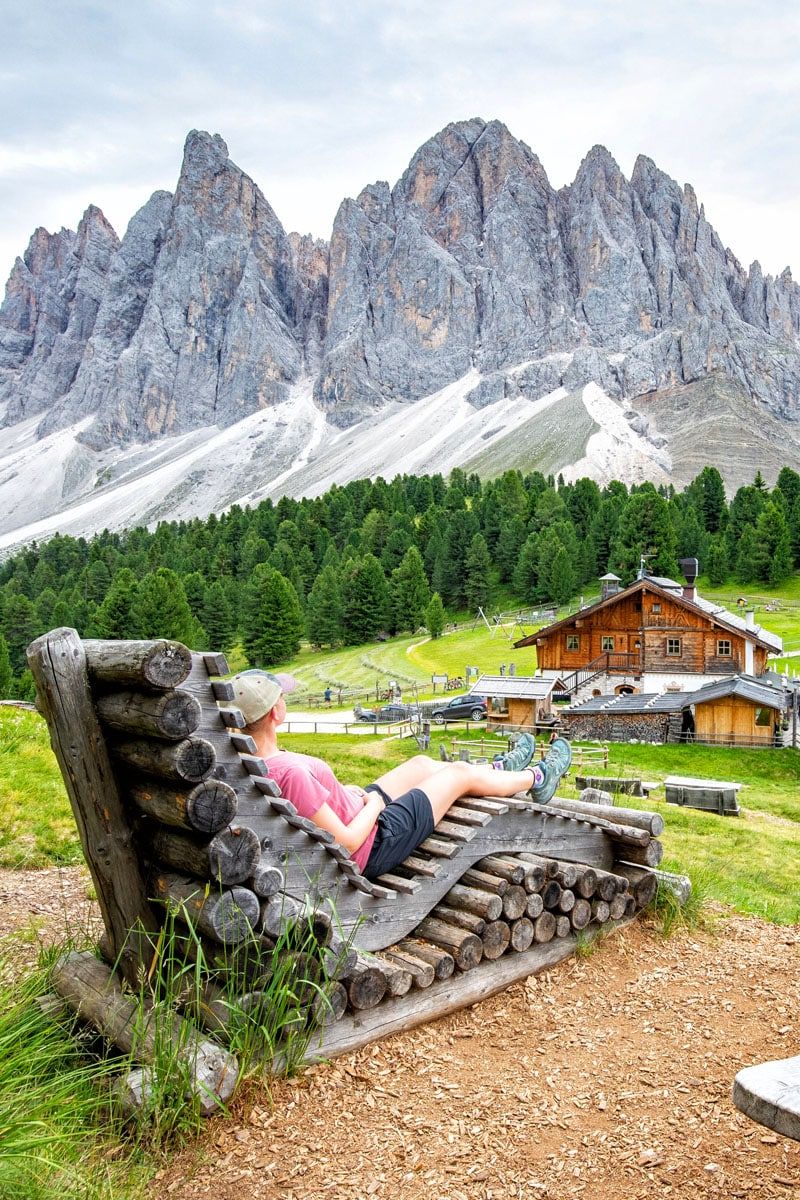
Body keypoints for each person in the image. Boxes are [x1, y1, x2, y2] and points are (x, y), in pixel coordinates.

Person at [227, 671, 572, 881]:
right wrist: (375, 804)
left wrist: (341, 791)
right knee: (458, 774)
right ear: (276, 713)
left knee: (421, 763)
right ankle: (538, 778)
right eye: (282, 696)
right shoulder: (289, 773)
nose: (285, 698)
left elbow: (311, 803)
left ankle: (497, 772)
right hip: (374, 843)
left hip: (356, 810)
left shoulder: (255, 762)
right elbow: (345, 844)